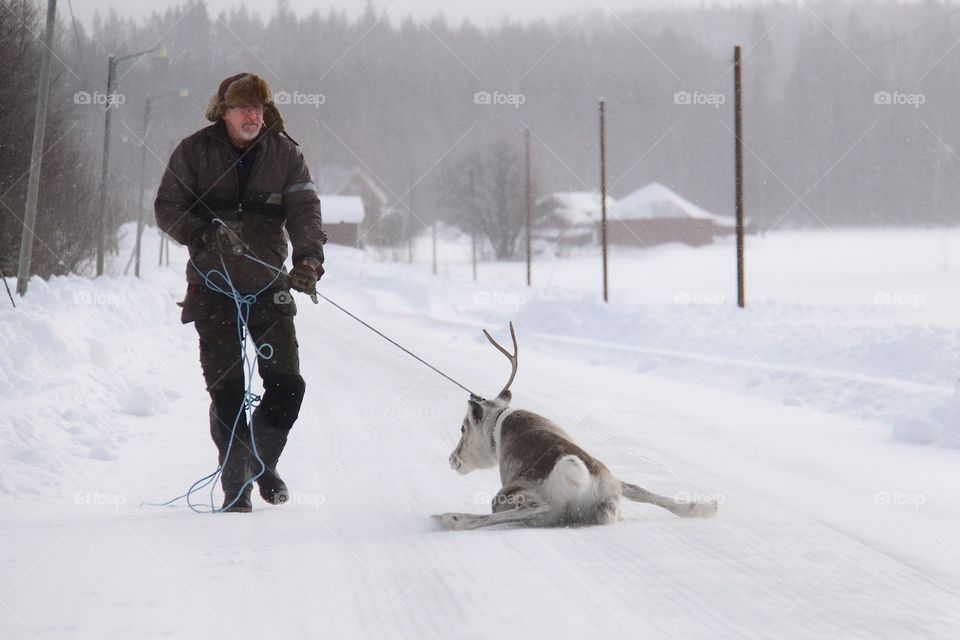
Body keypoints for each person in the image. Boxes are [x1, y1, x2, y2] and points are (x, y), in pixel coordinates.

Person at [155, 72, 326, 512]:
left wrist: (308, 260)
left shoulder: (286, 155)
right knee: (226, 392)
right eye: (243, 107)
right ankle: (237, 489)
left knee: (288, 386)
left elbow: (305, 211)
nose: (253, 115)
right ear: (223, 110)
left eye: (259, 108)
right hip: (212, 290)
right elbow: (167, 208)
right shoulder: (194, 151)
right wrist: (204, 233)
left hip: (270, 288)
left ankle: (258, 461)